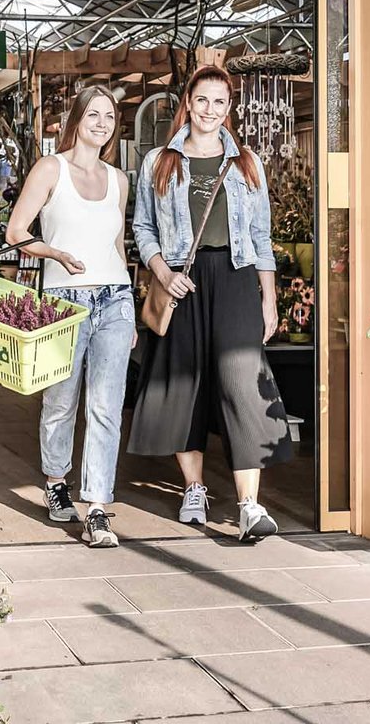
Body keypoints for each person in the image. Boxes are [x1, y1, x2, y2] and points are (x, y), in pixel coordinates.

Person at [129, 65, 292, 541]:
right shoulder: (161, 160)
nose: (210, 110)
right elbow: (143, 228)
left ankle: (249, 506)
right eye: (202, 99)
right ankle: (194, 488)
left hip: (236, 277)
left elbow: (260, 236)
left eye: (219, 102)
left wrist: (269, 299)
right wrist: (164, 273)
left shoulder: (247, 163)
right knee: (185, 384)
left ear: (229, 107)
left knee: (243, 383)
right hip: (182, 279)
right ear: (188, 101)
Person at [3, 85, 133, 549]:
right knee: (61, 401)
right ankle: (56, 481)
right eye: (93, 114)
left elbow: (116, 244)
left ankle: (97, 508)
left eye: (109, 116)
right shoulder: (50, 168)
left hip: (115, 299)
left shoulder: (118, 180)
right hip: (65, 303)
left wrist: (129, 309)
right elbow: (16, 232)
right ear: (76, 119)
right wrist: (55, 253)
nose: (102, 123)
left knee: (106, 407)